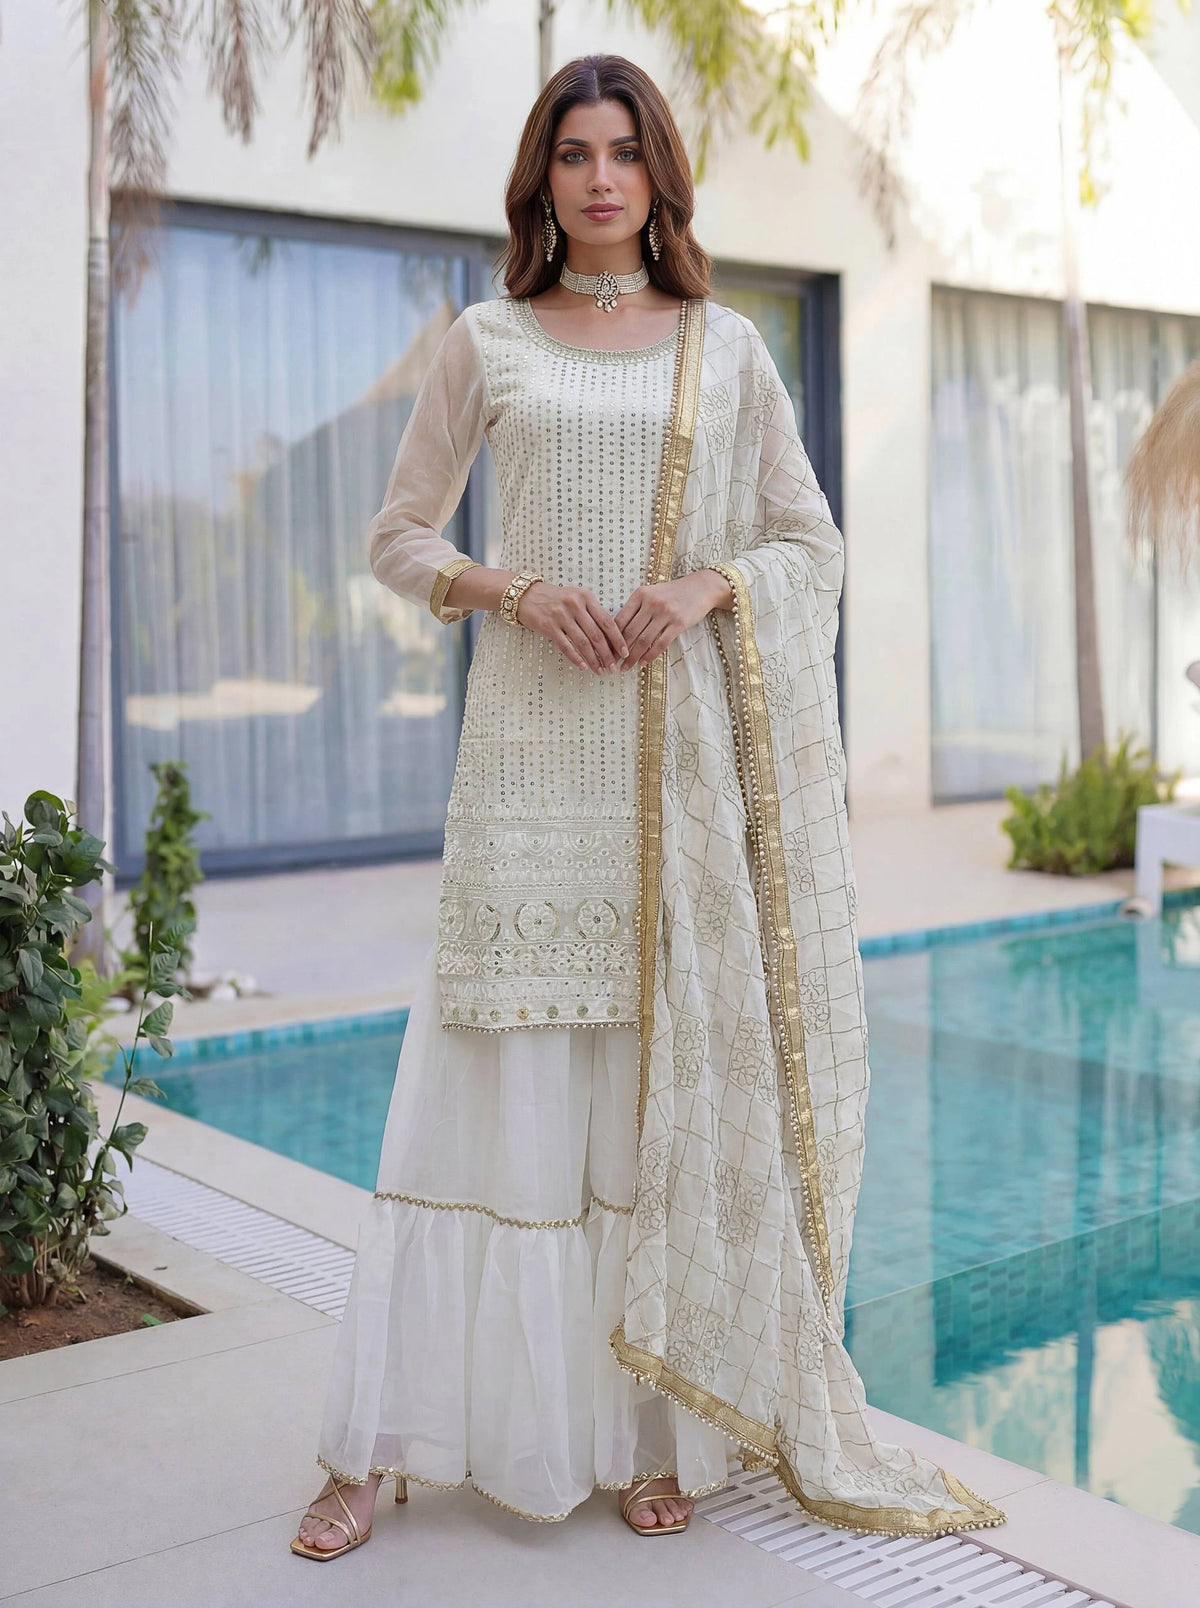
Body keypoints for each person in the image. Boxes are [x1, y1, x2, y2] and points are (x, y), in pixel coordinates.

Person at [292, 52, 1006, 1561]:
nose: (601, 177)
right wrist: (513, 589)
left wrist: (707, 586)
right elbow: (399, 535)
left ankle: (648, 1433)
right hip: (526, 760)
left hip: (674, 782)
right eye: (574, 153)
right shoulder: (486, 339)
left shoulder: (727, 350)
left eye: (624, 151)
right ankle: (379, 1444)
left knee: (646, 1099)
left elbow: (810, 541)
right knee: (487, 1092)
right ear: (542, 180)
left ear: (658, 176)